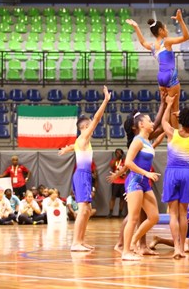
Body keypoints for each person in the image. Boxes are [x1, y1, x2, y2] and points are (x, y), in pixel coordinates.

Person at [58, 85, 111, 252]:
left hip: (84, 175)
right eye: (89, 126)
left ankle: (80, 240)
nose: (92, 128)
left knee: (87, 210)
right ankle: (75, 243)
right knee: (83, 209)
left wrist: (66, 149)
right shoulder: (84, 137)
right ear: (85, 126)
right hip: (82, 175)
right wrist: (105, 101)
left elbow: (71, 147)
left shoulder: (79, 141)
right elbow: (97, 118)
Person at [126, 9, 189, 128]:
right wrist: (181, 21)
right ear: (160, 31)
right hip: (170, 76)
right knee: (174, 109)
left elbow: (142, 42)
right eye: (165, 28)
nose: (167, 30)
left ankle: (168, 134)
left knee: (166, 107)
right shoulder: (167, 42)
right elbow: (187, 37)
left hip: (161, 78)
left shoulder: (152, 46)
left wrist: (136, 27)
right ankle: (175, 135)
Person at [161, 95, 189, 259]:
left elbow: (164, 121)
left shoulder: (172, 133)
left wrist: (169, 105)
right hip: (186, 172)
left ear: (181, 120)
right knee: (183, 214)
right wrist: (185, 118)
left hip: (172, 171)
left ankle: (176, 248)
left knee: (173, 214)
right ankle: (183, 248)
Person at [150, 140, 189, 252]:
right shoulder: (186, 174)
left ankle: (159, 239)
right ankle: (184, 244)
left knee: (183, 239)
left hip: (188, 214)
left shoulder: (177, 178)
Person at [121, 111, 161, 261]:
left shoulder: (147, 141)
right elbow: (128, 163)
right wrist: (147, 173)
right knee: (133, 218)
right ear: (141, 124)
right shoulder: (137, 141)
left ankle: (133, 241)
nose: (152, 123)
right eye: (149, 121)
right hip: (135, 181)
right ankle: (126, 251)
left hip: (144, 182)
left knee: (154, 217)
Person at [109, 148, 126, 218]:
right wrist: (117, 159)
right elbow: (111, 166)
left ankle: (120, 213)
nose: (118, 154)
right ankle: (110, 212)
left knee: (122, 198)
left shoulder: (125, 161)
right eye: (117, 153)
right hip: (116, 181)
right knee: (113, 197)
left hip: (123, 181)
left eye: (119, 153)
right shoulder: (114, 161)